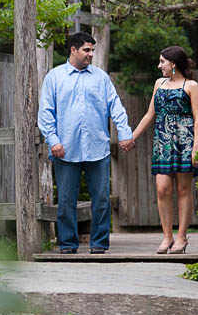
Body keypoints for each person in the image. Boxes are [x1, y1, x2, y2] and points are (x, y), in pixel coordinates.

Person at [38, 31, 135, 254]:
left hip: (97, 148)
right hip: (65, 148)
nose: (91, 54)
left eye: (92, 50)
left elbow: (116, 108)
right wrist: (53, 140)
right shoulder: (54, 77)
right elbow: (45, 113)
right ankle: (68, 245)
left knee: (101, 199)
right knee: (65, 201)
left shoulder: (101, 78)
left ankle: (99, 244)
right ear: (73, 50)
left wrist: (125, 133)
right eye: (86, 50)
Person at [131, 46, 198, 254]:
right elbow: (149, 114)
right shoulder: (159, 84)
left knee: (183, 189)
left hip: (185, 142)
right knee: (162, 189)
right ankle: (167, 236)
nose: (159, 65)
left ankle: (181, 237)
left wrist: (196, 147)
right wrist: (131, 137)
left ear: (173, 63)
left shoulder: (191, 86)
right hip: (162, 142)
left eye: (162, 61)